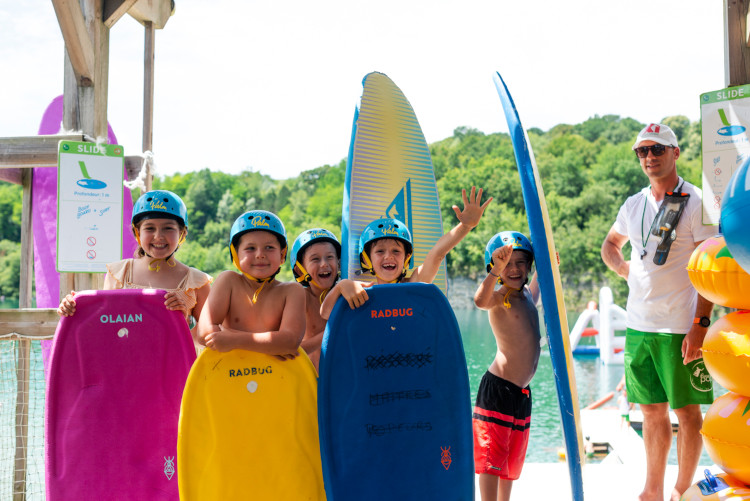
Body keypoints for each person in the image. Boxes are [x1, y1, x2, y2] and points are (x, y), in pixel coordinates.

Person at [601, 123, 715, 501]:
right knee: (651, 412)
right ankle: (652, 490)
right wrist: (624, 270)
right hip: (638, 326)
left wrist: (701, 325)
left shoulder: (696, 201)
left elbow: (709, 268)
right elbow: (610, 245)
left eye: (657, 149)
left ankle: (682, 490)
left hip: (680, 326)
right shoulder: (633, 204)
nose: (649, 157)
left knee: (687, 413)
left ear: (675, 152)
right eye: (642, 151)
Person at [57, 190, 212, 343]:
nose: (158, 236)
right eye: (150, 228)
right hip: (126, 363)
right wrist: (73, 308)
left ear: (182, 233)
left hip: (176, 365)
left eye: (168, 228)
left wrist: (182, 319)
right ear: (137, 232)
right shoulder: (119, 273)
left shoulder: (196, 281)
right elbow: (104, 325)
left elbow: (209, 336)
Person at [320, 186, 492, 318]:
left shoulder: (415, 283)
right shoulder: (362, 293)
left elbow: (437, 253)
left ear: (406, 257)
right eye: (380, 251)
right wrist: (340, 287)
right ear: (367, 259)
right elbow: (326, 314)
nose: (389, 256)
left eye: (396, 251)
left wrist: (465, 226)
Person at [472, 231, 541, 501]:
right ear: (496, 269)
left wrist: (547, 269)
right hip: (498, 389)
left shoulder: (524, 296)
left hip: (520, 393)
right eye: (506, 263)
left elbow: (537, 289)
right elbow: (479, 301)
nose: (514, 268)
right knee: (492, 457)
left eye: (521, 262)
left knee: (512, 459)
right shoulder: (500, 297)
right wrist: (494, 272)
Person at [197, 210, 305, 358]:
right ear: (236, 254)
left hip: (277, 377)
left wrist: (231, 338)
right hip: (228, 374)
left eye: (269, 247)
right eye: (250, 248)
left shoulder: (292, 291)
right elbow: (204, 333)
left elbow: (290, 342)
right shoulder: (228, 281)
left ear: (282, 254)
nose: (260, 254)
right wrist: (269, 346)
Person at [290, 228, 341, 371]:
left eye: (330, 257)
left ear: (339, 263)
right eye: (315, 259)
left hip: (343, 380)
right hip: (313, 382)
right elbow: (292, 350)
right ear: (300, 270)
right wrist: (333, 331)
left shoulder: (345, 294)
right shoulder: (300, 299)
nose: (324, 264)